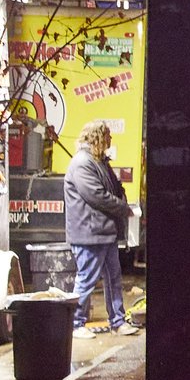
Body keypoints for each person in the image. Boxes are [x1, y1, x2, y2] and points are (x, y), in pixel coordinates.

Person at [64, 120, 134, 337]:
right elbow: (96, 196)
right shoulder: (82, 163)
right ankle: (76, 324)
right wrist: (123, 207)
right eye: (108, 137)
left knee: (114, 278)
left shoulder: (99, 161)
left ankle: (118, 321)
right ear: (98, 138)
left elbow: (114, 187)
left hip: (104, 232)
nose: (111, 140)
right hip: (89, 233)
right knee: (86, 279)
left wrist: (122, 198)